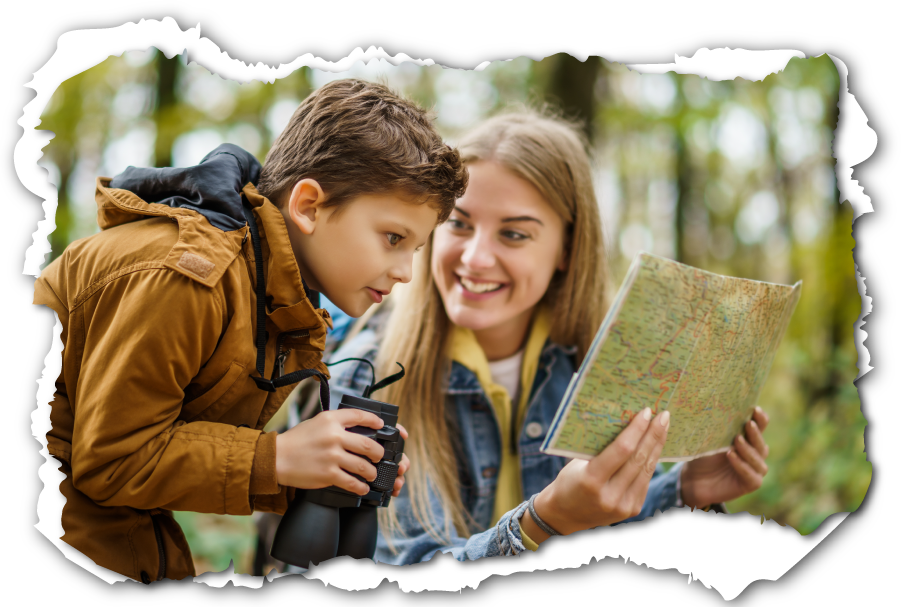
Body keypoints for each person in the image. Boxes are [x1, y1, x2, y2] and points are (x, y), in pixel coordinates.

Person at [32, 79, 468, 581]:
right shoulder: (186, 277)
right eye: (393, 237)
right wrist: (277, 457)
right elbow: (113, 462)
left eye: (413, 249)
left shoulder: (273, 297)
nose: (405, 272)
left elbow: (169, 456)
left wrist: (313, 475)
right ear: (308, 206)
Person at [325, 108, 772, 564]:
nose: (476, 258)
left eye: (514, 234)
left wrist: (682, 489)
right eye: (458, 224)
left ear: (566, 249)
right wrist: (545, 520)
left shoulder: (613, 367)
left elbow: (617, 541)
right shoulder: (368, 375)